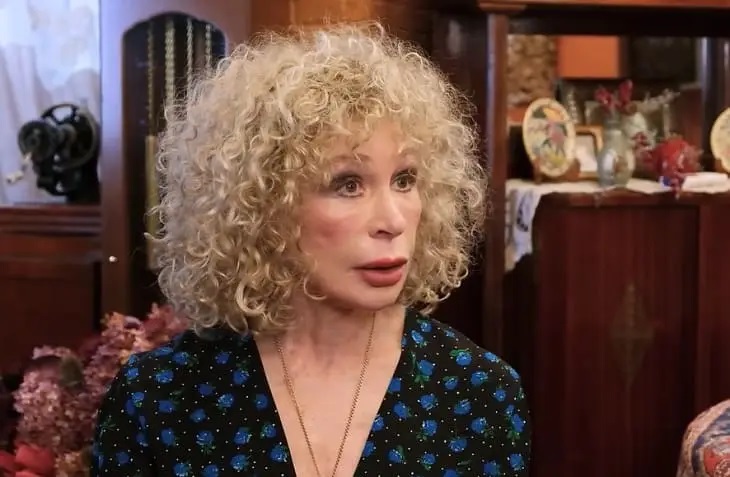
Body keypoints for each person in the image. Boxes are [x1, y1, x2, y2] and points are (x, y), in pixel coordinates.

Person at [90, 22, 530, 476]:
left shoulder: (479, 393)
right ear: (261, 203)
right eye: (348, 184)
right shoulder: (160, 398)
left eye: (405, 180)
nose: (393, 221)